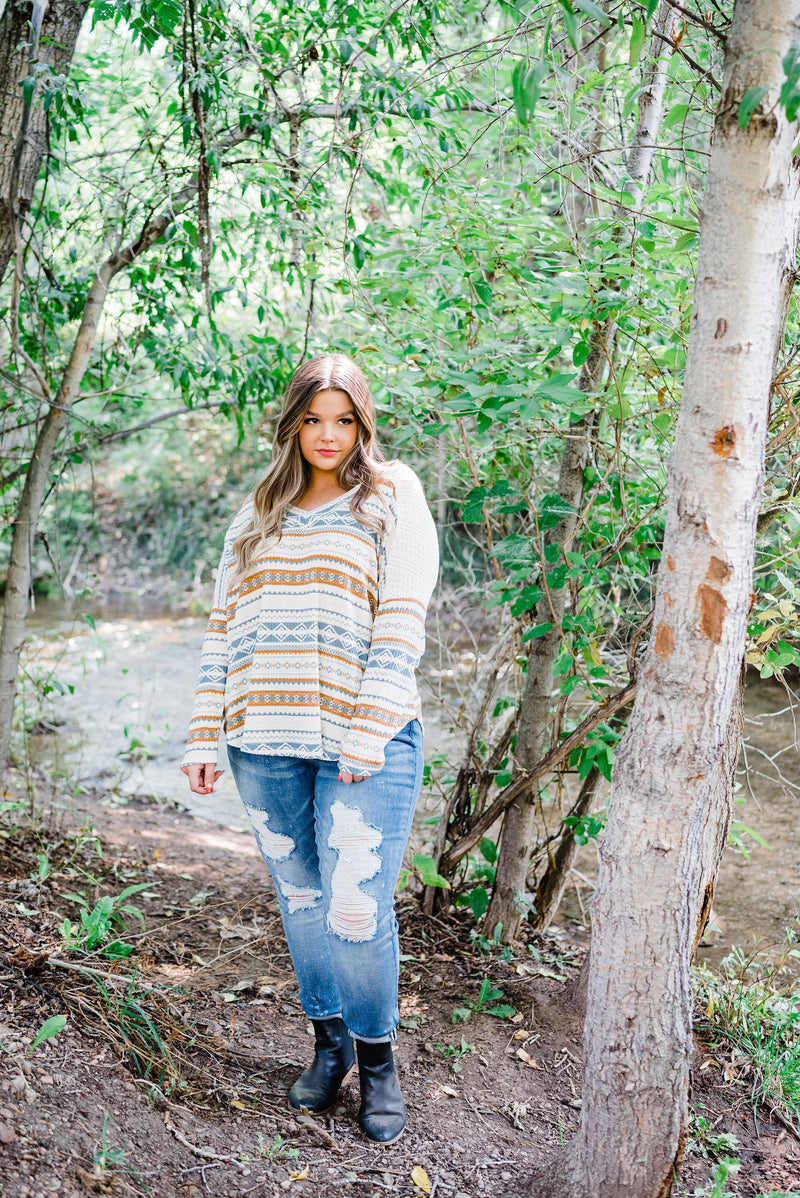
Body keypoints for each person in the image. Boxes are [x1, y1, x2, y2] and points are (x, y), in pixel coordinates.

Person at [181, 354, 439, 1145]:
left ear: (363, 423)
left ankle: (380, 1062)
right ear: (292, 423)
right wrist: (202, 728)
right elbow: (224, 628)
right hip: (261, 741)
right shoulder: (259, 512)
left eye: (344, 420)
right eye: (313, 419)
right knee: (303, 903)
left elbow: (403, 616)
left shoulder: (391, 493)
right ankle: (328, 1046)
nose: (329, 436)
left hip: (369, 741)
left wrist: (367, 728)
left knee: (355, 909)